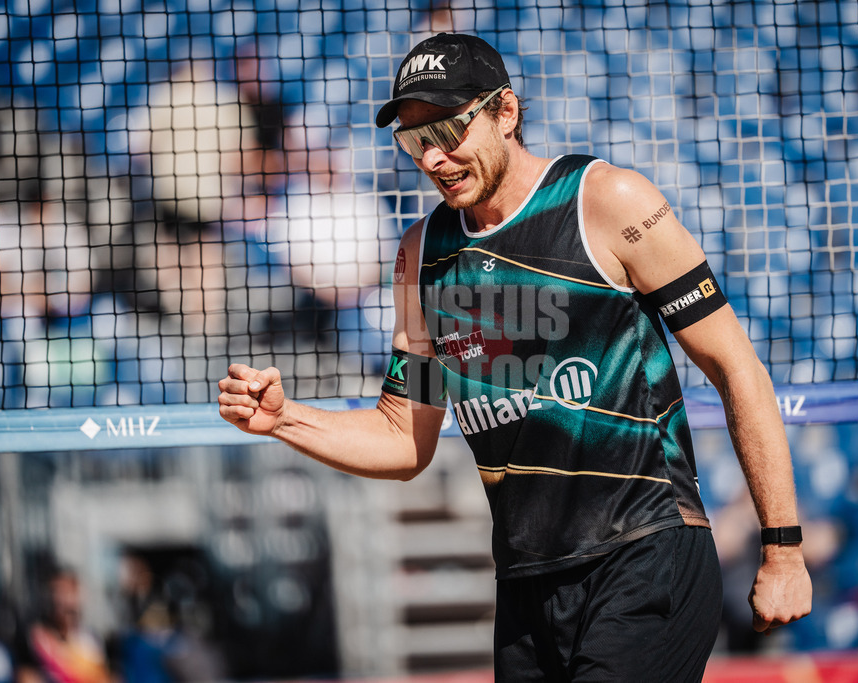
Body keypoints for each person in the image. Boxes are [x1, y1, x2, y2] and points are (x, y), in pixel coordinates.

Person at [219, 32, 812, 681]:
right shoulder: (422, 257)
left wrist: (782, 548)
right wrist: (283, 419)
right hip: (528, 587)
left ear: (506, 111)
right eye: (416, 140)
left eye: (449, 128)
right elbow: (402, 435)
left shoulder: (606, 201)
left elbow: (737, 369)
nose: (435, 157)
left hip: (646, 553)